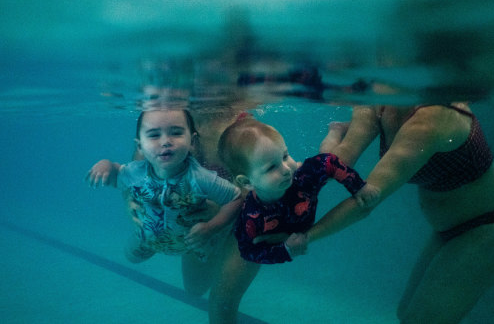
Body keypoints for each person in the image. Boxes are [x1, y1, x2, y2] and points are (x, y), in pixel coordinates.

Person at [310, 103, 494, 324]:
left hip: (490, 227)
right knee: (406, 315)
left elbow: (366, 201)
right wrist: (287, 198)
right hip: (446, 231)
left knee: (419, 320)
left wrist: (305, 237)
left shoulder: (434, 115)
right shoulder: (377, 102)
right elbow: (339, 163)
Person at [86, 109, 243, 294]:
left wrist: (212, 227)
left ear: (192, 142)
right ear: (139, 146)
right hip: (150, 239)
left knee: (196, 290)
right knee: (131, 257)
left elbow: (236, 199)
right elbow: (116, 173)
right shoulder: (137, 172)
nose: (165, 141)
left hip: (193, 241)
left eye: (176, 133)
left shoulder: (201, 178)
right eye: (154, 135)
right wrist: (106, 164)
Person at [216, 116, 377, 264]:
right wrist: (285, 250)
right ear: (247, 182)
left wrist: (359, 187)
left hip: (304, 187)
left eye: (285, 156)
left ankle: (335, 130)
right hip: (292, 215)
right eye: (272, 167)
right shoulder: (252, 217)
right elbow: (247, 252)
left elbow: (329, 162)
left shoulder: (302, 178)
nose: (286, 169)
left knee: (330, 157)